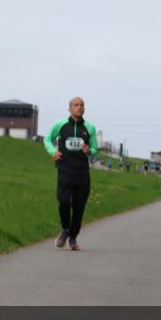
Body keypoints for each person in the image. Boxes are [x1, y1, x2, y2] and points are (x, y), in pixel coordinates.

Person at [43, 97, 99, 250]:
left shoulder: (90, 127)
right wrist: (53, 151)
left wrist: (90, 151)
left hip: (82, 173)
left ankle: (73, 238)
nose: (79, 107)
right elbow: (47, 139)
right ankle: (65, 229)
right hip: (65, 170)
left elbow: (95, 150)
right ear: (69, 108)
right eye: (76, 105)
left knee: (79, 207)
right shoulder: (60, 125)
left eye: (82, 105)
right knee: (64, 202)